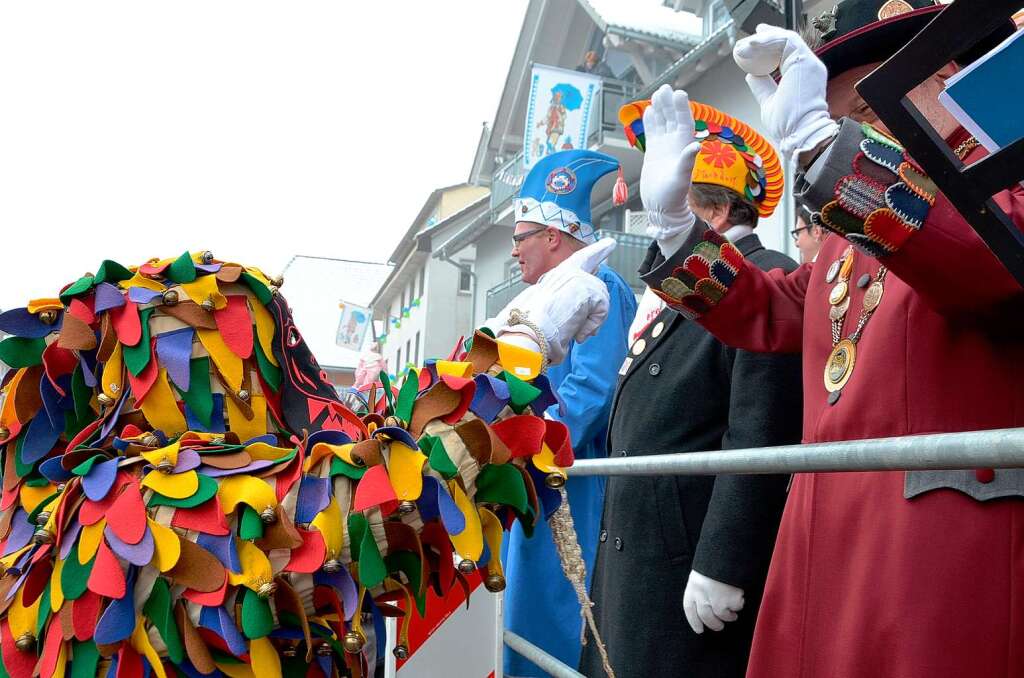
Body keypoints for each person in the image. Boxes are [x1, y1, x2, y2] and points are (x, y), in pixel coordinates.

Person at [635, 2, 1024, 676]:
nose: (853, 136)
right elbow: (771, 310)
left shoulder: (1003, 183)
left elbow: (986, 263)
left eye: (870, 115)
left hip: (940, 550)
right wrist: (674, 229)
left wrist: (822, 147)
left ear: (945, 84)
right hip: (832, 539)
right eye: (841, 119)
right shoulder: (858, 230)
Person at [580, 101, 802, 678]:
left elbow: (760, 428)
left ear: (722, 208)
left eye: (684, 200)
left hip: (687, 558)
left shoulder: (765, 273)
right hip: (647, 549)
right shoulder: (683, 281)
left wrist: (723, 558)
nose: (665, 212)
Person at [501, 149, 637, 678]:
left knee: (551, 616)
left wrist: (526, 439)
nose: (514, 251)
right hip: (536, 471)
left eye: (520, 238)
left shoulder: (600, 287)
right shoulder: (541, 297)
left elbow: (590, 391)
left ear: (553, 237)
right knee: (522, 611)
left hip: (566, 475)